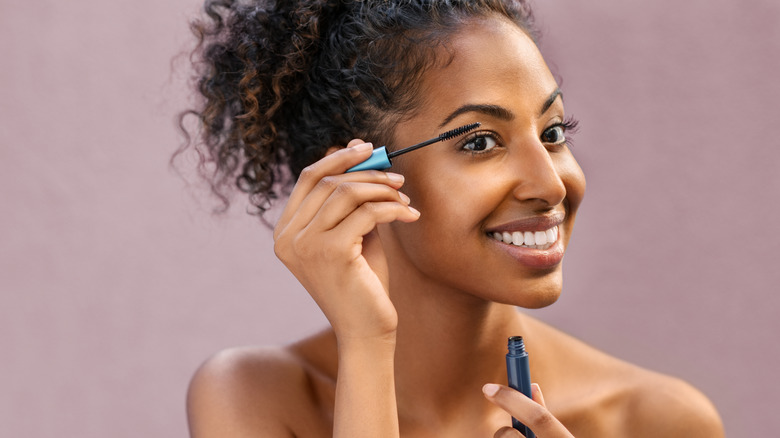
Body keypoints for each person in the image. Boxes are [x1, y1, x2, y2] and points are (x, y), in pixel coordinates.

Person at [180, 0, 724, 436]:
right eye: (481, 141)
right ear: (354, 173)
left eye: (553, 133)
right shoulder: (256, 399)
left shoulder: (655, 420)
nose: (551, 184)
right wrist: (367, 342)